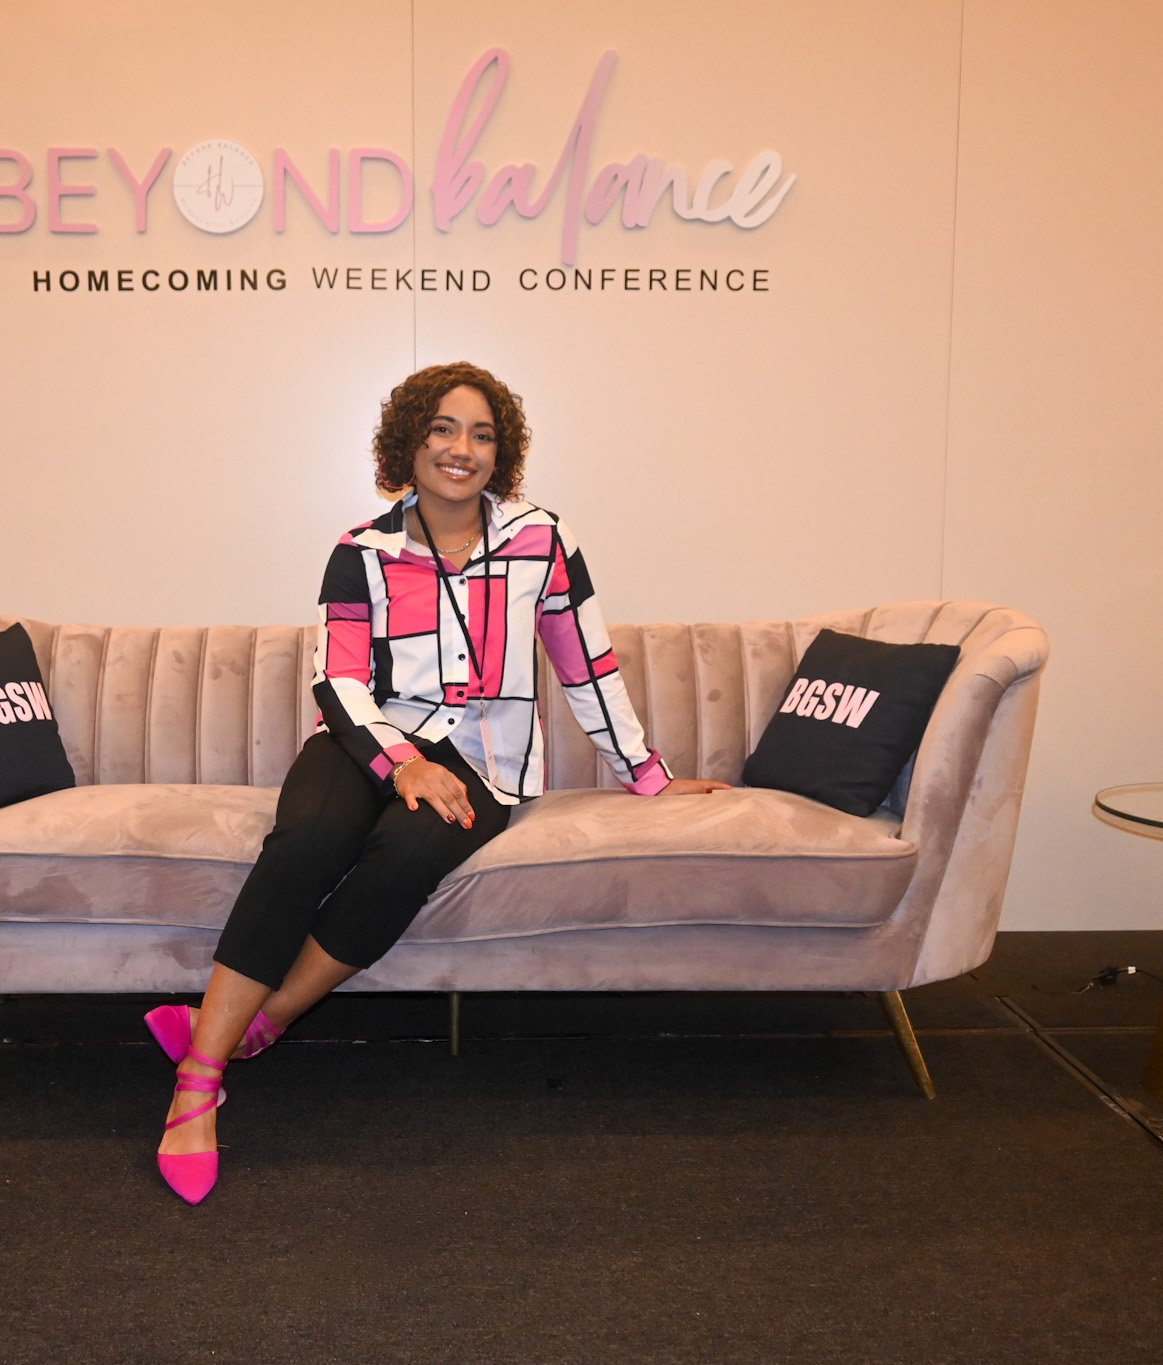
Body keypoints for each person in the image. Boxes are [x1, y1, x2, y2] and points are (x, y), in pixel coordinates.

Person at [148, 361, 729, 1203]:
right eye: (444, 429)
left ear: (504, 452)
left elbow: (585, 666)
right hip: (366, 740)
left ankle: (260, 1025)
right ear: (410, 442)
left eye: (483, 433)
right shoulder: (362, 551)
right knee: (307, 839)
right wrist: (401, 761)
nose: (463, 449)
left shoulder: (543, 541)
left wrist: (647, 775)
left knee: (404, 856)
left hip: (482, 758)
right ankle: (198, 1080)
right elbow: (339, 681)